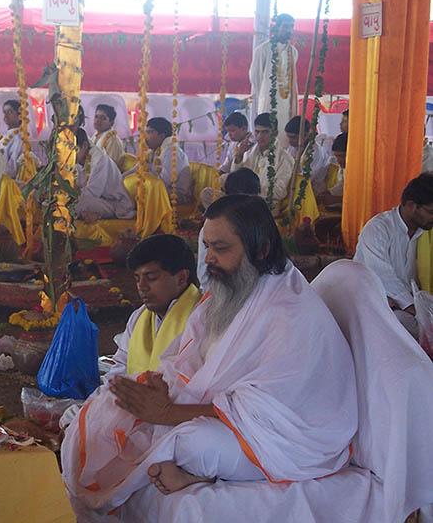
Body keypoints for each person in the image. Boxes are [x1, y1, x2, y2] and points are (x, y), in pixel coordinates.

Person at [62, 195, 357, 519]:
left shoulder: (290, 313)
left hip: (289, 438)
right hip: (214, 411)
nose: (210, 259)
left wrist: (169, 412)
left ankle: (196, 471)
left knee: (193, 443)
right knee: (98, 415)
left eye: (221, 248)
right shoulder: (224, 295)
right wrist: (159, 387)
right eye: (207, 247)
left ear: (260, 250)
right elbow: (186, 359)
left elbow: (267, 412)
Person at [109, 235, 201, 378]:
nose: (142, 287)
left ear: (181, 278)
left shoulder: (203, 320)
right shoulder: (138, 317)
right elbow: (120, 367)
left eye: (151, 277)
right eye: (137, 279)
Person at [354, 173, 433, 339]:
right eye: (431, 211)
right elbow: (383, 278)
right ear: (411, 205)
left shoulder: (425, 233)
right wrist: (416, 310)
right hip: (375, 304)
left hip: (410, 305)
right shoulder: (378, 229)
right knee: (399, 322)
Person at [197, 168, 261, 286]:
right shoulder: (213, 227)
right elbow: (205, 275)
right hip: (216, 290)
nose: (209, 258)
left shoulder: (259, 225)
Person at [249, 13, 299, 148]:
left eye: (291, 27)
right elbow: (255, 77)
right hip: (268, 102)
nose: (289, 30)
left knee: (285, 135)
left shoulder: (293, 52)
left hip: (287, 103)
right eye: (285, 26)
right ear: (276, 28)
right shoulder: (263, 50)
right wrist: (265, 96)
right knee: (268, 134)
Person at [230, 112, 295, 214]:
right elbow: (235, 178)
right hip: (244, 200)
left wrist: (252, 189)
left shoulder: (285, 158)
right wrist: (239, 156)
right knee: (208, 193)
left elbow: (280, 191)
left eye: (265, 132)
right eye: (257, 131)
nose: (260, 136)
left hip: (266, 205)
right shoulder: (249, 151)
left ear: (275, 133)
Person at [75, 127, 135, 221]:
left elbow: (92, 193)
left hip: (115, 204)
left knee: (80, 203)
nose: (69, 154)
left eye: (73, 150)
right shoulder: (78, 160)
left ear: (84, 146)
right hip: (98, 200)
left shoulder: (99, 160)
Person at [140, 117, 193, 203]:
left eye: (150, 132)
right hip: (162, 190)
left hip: (177, 195)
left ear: (162, 136)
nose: (146, 137)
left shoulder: (172, 152)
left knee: (142, 193)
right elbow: (139, 169)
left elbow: (162, 183)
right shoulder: (156, 150)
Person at [284, 115, 332, 195]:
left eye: (293, 137)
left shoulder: (316, 152)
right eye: (288, 137)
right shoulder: (292, 147)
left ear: (305, 135)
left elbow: (306, 178)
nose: (290, 141)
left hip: (312, 191)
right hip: (294, 186)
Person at [0, 99, 39, 179]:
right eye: (4, 112)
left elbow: (12, 167)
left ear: (19, 115)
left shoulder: (19, 137)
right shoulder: (7, 134)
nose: (6, 116)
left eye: (10, 112)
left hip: (7, 182)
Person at [93, 104, 127, 170]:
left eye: (103, 118)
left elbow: (111, 167)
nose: (98, 120)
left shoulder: (113, 140)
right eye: (96, 116)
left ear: (111, 123)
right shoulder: (95, 136)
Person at [317, 132, 347, 209]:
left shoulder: (363, 171)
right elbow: (343, 184)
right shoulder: (343, 167)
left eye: (342, 156)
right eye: (336, 156)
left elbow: (361, 197)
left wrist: (337, 199)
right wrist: (329, 192)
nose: (339, 160)